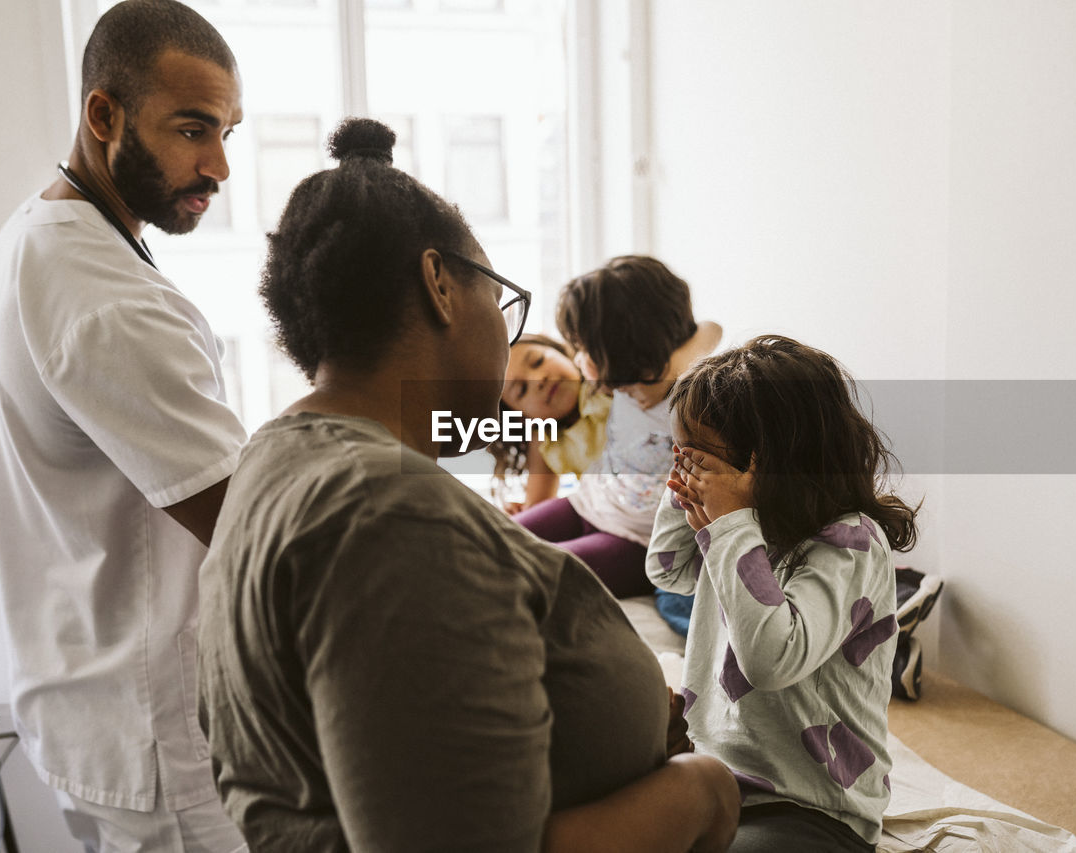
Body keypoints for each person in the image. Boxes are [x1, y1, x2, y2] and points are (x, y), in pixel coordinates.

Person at [195, 117, 740, 852]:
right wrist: (701, 792)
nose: (511, 346)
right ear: (441, 286)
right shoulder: (390, 517)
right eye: (502, 301)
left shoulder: (271, 459)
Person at [0, 1, 247, 849]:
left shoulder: (43, 233)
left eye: (229, 130)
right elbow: (243, 521)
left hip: (93, 705)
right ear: (103, 113)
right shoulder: (99, 289)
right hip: (155, 736)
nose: (219, 163)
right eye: (194, 128)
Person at [647, 335, 921, 852]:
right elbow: (668, 569)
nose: (685, 468)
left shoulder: (851, 541)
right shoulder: (741, 526)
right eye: (679, 453)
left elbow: (770, 661)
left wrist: (729, 523)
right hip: (712, 774)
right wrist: (688, 492)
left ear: (768, 459)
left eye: (698, 456)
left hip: (811, 806)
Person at [511, 256, 721, 601]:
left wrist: (667, 376)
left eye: (582, 348)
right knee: (491, 539)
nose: (576, 358)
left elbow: (711, 332)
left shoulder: (693, 401)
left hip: (635, 540)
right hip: (586, 503)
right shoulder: (621, 388)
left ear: (619, 349)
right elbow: (710, 328)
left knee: (537, 574)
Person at [488, 333, 612, 513]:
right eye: (522, 390)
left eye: (538, 361)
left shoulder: (604, 383)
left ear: (560, 350)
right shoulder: (547, 441)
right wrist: (521, 513)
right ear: (522, 418)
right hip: (618, 517)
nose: (539, 380)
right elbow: (537, 505)